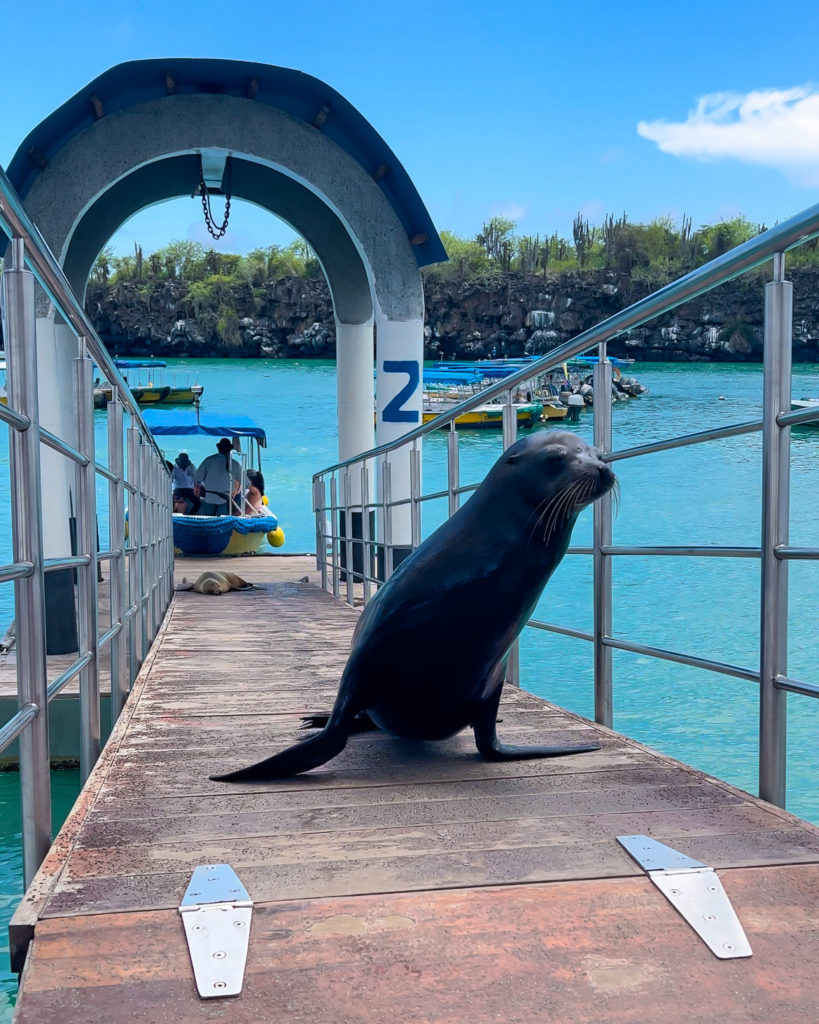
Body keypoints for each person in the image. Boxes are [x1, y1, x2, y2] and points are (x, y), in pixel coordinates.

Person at [194, 438, 246, 516]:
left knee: (208, 520)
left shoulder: (209, 460)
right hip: (225, 499)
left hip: (209, 498)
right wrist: (235, 491)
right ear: (230, 450)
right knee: (223, 521)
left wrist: (197, 487)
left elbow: (197, 478)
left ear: (218, 448)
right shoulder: (234, 464)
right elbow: (245, 481)